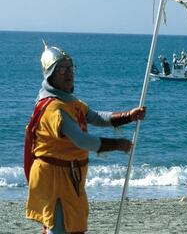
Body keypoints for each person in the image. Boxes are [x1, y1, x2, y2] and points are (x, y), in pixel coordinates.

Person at [25, 42, 146, 234]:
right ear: (50, 75)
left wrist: (128, 116)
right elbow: (82, 140)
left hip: (71, 176)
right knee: (58, 228)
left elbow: (96, 117)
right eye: (62, 69)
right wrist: (116, 144)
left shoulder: (71, 102)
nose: (69, 73)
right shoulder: (53, 109)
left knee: (73, 225)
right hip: (53, 177)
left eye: (70, 68)